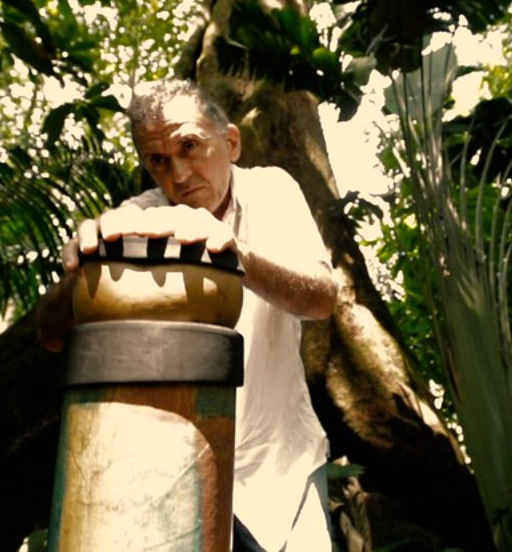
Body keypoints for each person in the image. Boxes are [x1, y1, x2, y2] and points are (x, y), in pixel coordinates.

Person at [37, 79, 338, 551]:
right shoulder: (143, 216)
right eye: (158, 161)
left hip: (281, 461)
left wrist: (238, 254)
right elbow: (51, 333)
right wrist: (82, 271)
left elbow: (321, 298)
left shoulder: (272, 191)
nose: (178, 175)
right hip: (178, 465)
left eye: (190, 147)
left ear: (231, 142)